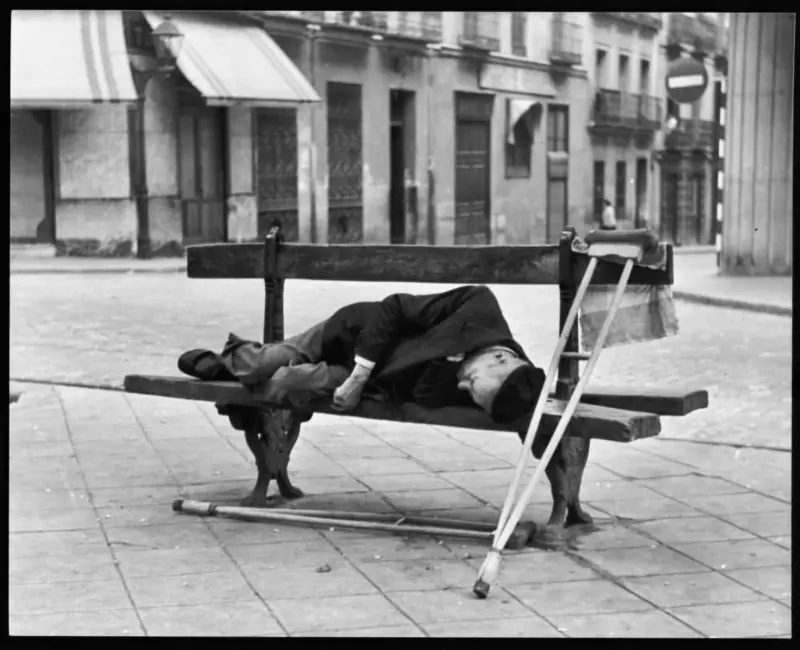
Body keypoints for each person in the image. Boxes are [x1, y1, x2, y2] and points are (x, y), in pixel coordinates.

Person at [180, 285, 546, 425]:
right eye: (472, 382)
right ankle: (230, 362)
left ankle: (234, 384)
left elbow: (416, 398)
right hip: (353, 333)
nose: (461, 387)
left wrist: (358, 389)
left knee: (285, 382)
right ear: (500, 358)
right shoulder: (477, 307)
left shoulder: (490, 387)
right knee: (262, 364)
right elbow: (395, 307)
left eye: (469, 395)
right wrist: (357, 375)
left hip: (370, 384)